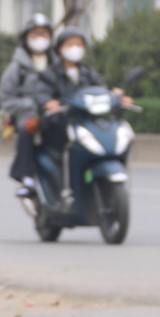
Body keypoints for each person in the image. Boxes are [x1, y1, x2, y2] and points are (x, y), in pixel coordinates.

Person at [34, 28, 131, 198]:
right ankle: (66, 192)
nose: (75, 48)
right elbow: (42, 94)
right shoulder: (49, 74)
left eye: (79, 44)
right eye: (70, 44)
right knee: (69, 147)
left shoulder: (88, 72)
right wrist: (49, 103)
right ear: (59, 49)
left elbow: (101, 91)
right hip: (61, 123)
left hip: (86, 122)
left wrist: (116, 98)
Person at [0, 13, 53, 199]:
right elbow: (6, 98)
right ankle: (27, 179)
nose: (40, 38)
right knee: (28, 130)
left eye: (44, 34)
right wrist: (28, 105)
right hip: (28, 114)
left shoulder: (58, 63)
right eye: (35, 34)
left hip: (55, 112)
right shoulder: (17, 68)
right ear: (26, 38)